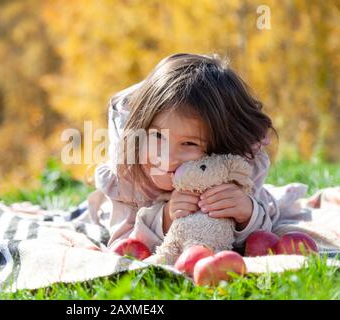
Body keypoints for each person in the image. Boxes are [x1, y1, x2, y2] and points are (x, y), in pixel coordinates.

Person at [92, 53, 279, 253]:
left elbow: (264, 232)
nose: (168, 157)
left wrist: (247, 214)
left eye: (189, 143)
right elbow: (123, 244)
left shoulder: (236, 166)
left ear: (221, 146)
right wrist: (164, 218)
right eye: (157, 136)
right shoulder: (129, 173)